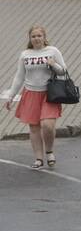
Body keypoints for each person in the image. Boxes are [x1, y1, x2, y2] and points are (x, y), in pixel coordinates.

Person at [1, 25, 67, 169]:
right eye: (34, 36)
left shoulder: (53, 51)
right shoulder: (25, 54)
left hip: (49, 94)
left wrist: (53, 65)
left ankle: (49, 151)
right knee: (34, 128)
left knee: (47, 125)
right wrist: (11, 96)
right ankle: (38, 158)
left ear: (44, 37)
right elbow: (19, 77)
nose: (37, 39)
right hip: (30, 93)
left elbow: (63, 71)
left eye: (39, 36)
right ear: (30, 39)